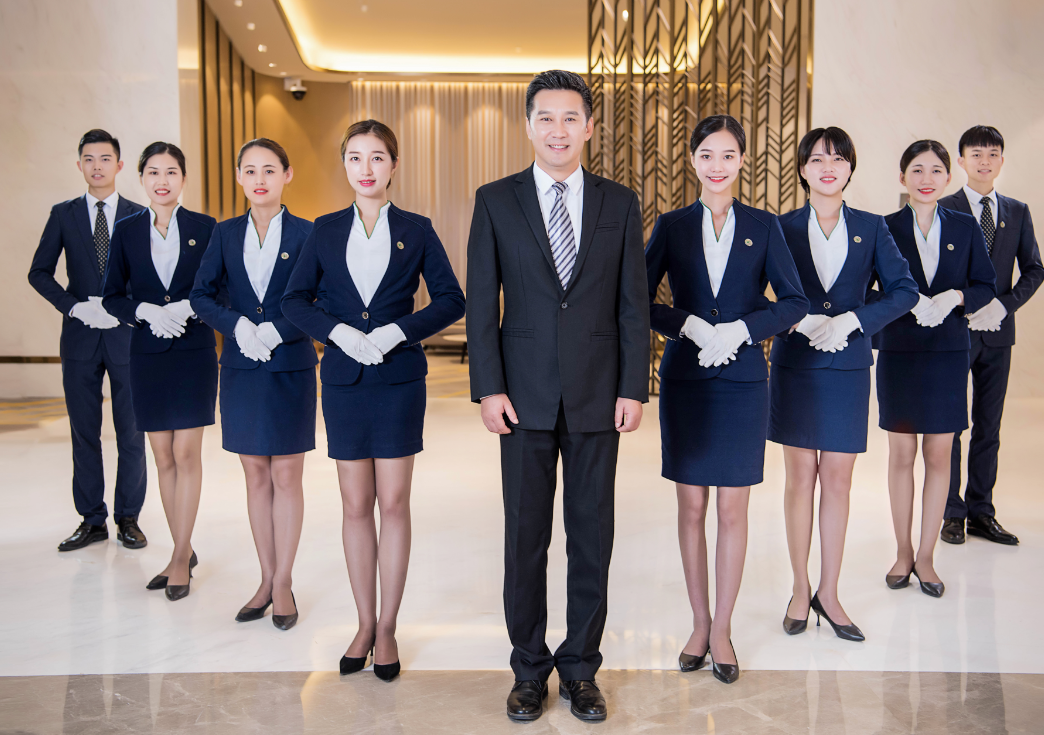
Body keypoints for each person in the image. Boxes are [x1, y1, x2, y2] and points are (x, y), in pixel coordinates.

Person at [467, 70, 648, 722]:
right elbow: (481, 302)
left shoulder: (619, 203)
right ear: (528, 125)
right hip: (523, 396)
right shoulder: (496, 200)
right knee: (525, 537)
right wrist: (488, 387)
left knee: (592, 537)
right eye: (546, 117)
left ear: (589, 126)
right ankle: (528, 669)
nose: (558, 129)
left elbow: (632, 304)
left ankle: (580, 669)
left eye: (571, 117)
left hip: (599, 393)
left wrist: (633, 387)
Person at [282, 120, 465, 680]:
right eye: (355, 158)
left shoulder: (416, 228)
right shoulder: (324, 229)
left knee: (394, 503)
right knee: (355, 504)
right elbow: (295, 300)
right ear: (345, 165)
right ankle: (363, 622)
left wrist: (396, 332)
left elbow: (451, 299)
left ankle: (388, 627)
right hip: (344, 381)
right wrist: (337, 333)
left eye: (377, 157)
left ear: (393, 165)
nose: (366, 168)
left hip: (398, 382)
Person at [645, 114, 808, 684]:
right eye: (707, 155)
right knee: (691, 508)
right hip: (687, 381)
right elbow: (637, 297)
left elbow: (793, 302)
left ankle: (722, 630)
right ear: (693, 160)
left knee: (733, 509)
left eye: (728, 155)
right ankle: (698, 623)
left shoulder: (765, 226)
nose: (717, 166)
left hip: (742, 382)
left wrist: (742, 330)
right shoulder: (672, 226)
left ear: (742, 161)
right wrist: (686, 324)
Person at [769, 127, 918, 642]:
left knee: (837, 481)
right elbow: (753, 294)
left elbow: (904, 291)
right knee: (799, 480)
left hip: (848, 366)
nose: (827, 167)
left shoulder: (873, 228)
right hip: (796, 365)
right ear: (802, 169)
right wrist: (795, 320)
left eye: (837, 159)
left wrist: (854, 321)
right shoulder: (780, 228)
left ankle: (828, 593)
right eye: (816, 159)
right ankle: (799, 587)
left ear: (851, 167)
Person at [190, 138, 316, 630]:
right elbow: (201, 295)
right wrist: (238, 326)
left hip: (290, 367)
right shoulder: (224, 234)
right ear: (239, 176)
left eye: (269, 169)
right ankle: (265, 578)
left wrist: (280, 330)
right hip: (241, 368)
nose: (259, 179)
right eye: (249, 170)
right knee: (255, 477)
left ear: (287, 174)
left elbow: (323, 298)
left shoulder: (309, 233)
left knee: (286, 476)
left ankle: (283, 582)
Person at [875, 140, 996, 599]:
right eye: (917, 170)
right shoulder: (884, 227)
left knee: (939, 455)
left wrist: (955, 297)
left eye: (936, 170)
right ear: (902, 177)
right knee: (901, 456)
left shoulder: (964, 226)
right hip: (900, 354)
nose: (926, 179)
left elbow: (986, 284)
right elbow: (866, 290)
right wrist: (903, 301)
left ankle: (926, 557)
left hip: (947, 354)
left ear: (948, 177)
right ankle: (903, 551)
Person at [102, 142, 218, 601]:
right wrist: (144, 311)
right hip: (148, 353)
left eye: (171, 172)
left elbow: (222, 289)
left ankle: (180, 557)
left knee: (186, 453)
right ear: (141, 179)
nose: (162, 180)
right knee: (163, 456)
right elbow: (112, 296)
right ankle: (181, 550)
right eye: (153, 172)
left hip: (192, 352)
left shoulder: (206, 228)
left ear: (183, 178)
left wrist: (192, 306)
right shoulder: (127, 230)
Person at [28, 129, 148, 553]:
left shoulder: (138, 215)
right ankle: (92, 519)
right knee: (84, 432)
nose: (97, 166)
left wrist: (125, 307)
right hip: (79, 338)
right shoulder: (63, 214)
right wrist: (74, 307)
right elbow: (39, 272)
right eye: (89, 159)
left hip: (126, 338)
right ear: (79, 165)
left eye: (105, 159)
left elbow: (149, 275)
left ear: (119, 165)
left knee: (131, 431)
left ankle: (128, 518)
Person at [939, 126, 1043, 547]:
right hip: (953, 332)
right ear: (961, 160)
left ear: (1002, 160)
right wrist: (962, 305)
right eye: (976, 153)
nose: (985, 161)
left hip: (998, 334)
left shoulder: (1017, 211)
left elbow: (1034, 268)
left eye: (993, 154)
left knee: (989, 425)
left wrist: (1004, 305)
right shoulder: (943, 207)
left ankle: (982, 510)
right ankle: (951, 512)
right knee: (949, 426)